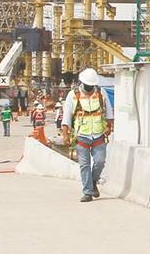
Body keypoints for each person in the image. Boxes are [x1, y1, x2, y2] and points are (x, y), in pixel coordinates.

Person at [61, 67, 114, 203]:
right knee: (84, 165)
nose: (90, 87)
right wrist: (65, 134)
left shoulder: (101, 93)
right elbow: (67, 115)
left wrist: (109, 126)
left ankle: (94, 181)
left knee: (100, 161)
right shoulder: (73, 95)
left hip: (98, 134)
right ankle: (88, 192)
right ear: (82, 83)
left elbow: (108, 111)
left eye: (92, 85)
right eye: (88, 85)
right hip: (81, 135)